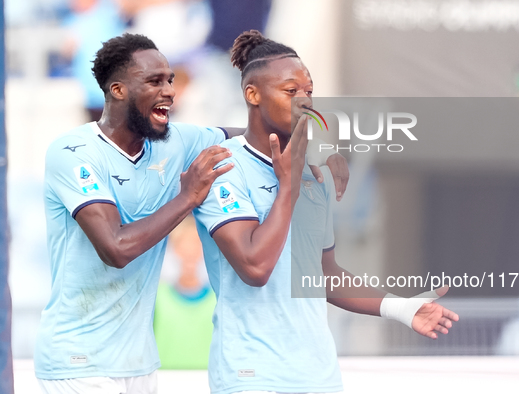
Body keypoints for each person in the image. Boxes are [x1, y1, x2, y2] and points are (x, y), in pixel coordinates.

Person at [35, 32, 348, 393]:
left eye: (170, 79)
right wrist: (187, 197)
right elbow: (116, 249)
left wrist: (320, 152)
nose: (169, 90)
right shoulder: (72, 151)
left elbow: (252, 135)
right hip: (77, 361)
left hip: (138, 363)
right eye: (154, 81)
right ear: (118, 90)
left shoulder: (178, 140)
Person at [192, 30, 459, 394]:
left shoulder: (313, 175)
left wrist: (401, 309)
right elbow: (255, 267)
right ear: (252, 94)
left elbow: (323, 272)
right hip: (253, 377)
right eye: (291, 91)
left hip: (319, 378)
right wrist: (287, 186)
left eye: (309, 90)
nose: (305, 100)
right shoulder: (224, 168)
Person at [153, 215, 215, 369]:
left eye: (196, 244)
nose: (189, 252)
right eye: (182, 244)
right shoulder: (156, 297)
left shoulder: (219, 299)